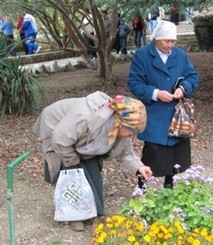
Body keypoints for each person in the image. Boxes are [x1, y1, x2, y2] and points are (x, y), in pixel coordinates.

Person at [32, 91, 152, 231]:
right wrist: (73, 159)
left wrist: (139, 167)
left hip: (80, 139)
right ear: (120, 124)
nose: (134, 135)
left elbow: (125, 151)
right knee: (72, 174)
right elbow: (60, 140)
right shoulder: (86, 117)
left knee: (92, 171)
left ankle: (96, 213)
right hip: (57, 127)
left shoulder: (118, 124)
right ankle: (74, 216)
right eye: (132, 131)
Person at [127, 21, 199, 190]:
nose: (170, 44)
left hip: (177, 116)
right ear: (156, 39)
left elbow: (193, 76)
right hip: (154, 113)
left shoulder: (180, 55)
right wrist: (155, 93)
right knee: (153, 151)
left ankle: (169, 183)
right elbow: (134, 82)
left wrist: (183, 88)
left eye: (173, 41)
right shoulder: (143, 55)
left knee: (176, 153)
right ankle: (142, 187)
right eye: (166, 41)